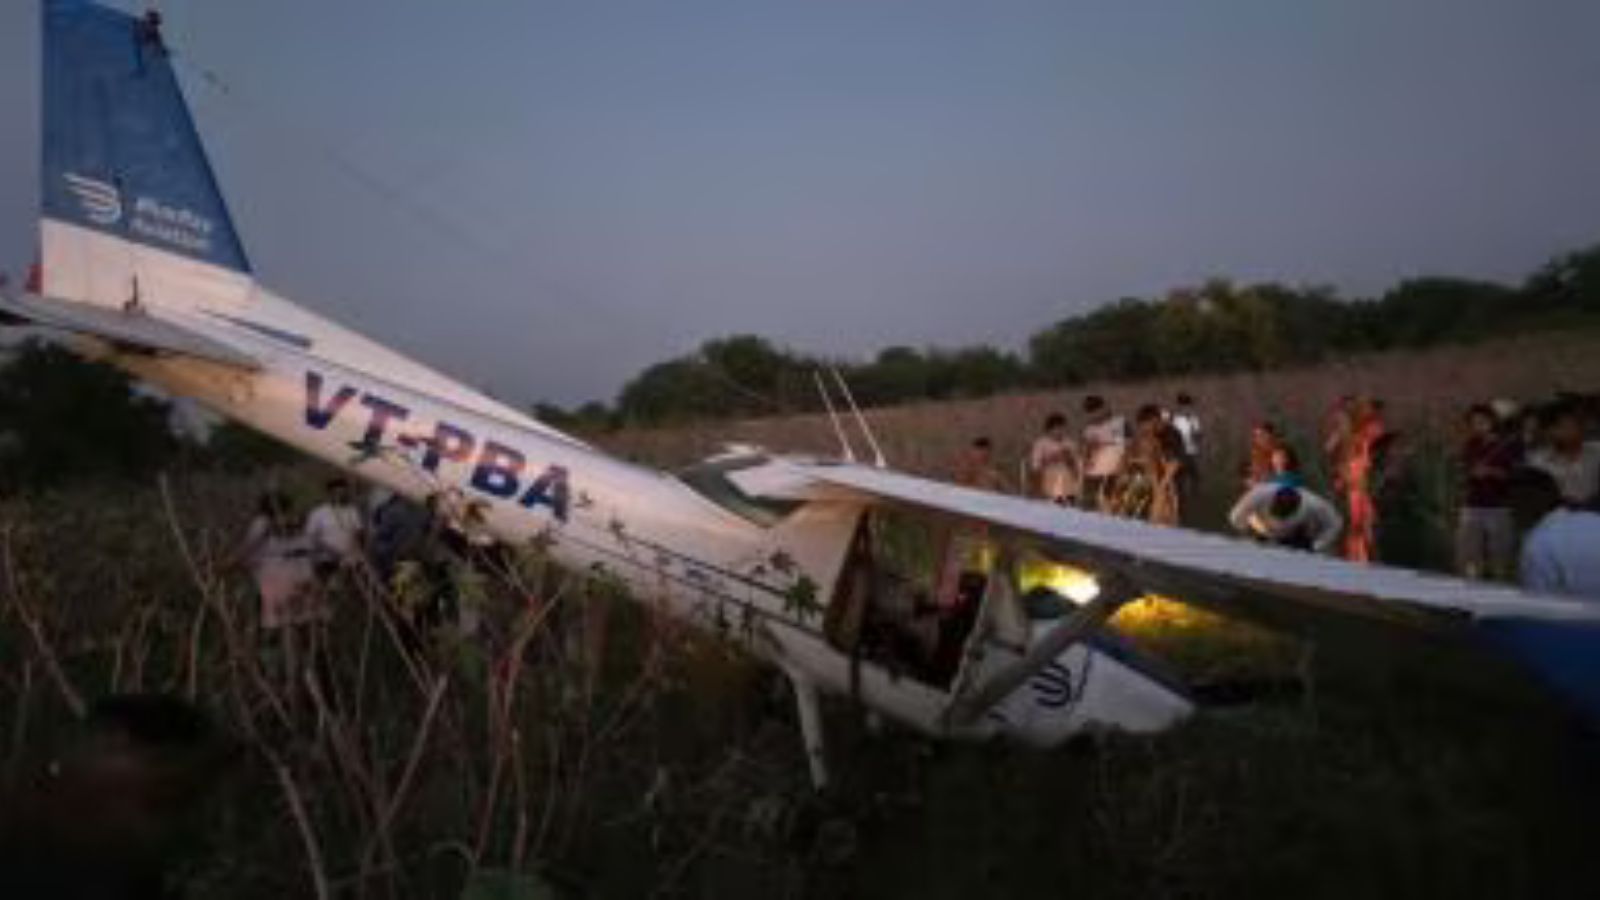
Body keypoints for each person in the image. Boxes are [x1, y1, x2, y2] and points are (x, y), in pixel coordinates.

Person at [1509, 467, 1600, 602]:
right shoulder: (1590, 521)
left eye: (1514, 502)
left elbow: (1540, 607)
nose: (1511, 512)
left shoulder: (1539, 541)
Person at [1456, 404, 1519, 580]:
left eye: (1482, 421)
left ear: (1492, 422)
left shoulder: (1507, 445)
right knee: (1469, 558)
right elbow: (1463, 471)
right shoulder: (1470, 445)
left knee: (1500, 558)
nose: (1478, 426)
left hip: (1498, 506)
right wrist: (1469, 473)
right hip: (1472, 505)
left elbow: (1515, 475)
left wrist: (1492, 472)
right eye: (1473, 423)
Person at [1229, 483, 1343, 554]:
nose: (1279, 521)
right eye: (1277, 513)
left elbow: (1335, 524)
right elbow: (1235, 517)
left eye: (1284, 515)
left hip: (1295, 538)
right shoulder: (1260, 494)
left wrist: (1316, 545)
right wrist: (1249, 532)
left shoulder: (1314, 505)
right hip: (1260, 531)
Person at [1527, 400, 1600, 509]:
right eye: (1564, 427)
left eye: (1577, 424)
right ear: (1548, 431)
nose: (1576, 430)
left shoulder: (1596, 452)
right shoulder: (1538, 463)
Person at [1120, 404, 1184, 524]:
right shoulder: (1146, 437)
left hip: (1168, 481)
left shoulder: (1170, 435)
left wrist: (1161, 488)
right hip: (1147, 480)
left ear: (1154, 420)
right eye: (1141, 426)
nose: (1143, 429)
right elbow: (1132, 460)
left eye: (1144, 425)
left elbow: (1174, 464)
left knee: (1162, 518)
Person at [1342, 397, 1387, 562]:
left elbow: (1376, 457)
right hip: (1356, 483)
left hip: (1367, 483)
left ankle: (1366, 558)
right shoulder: (1355, 433)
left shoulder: (1375, 430)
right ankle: (1356, 557)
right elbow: (1346, 458)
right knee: (1357, 524)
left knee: (1368, 524)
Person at [305, 476, 365, 578]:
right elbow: (313, 538)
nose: (340, 495)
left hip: (350, 561)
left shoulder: (352, 511)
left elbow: (359, 533)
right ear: (330, 494)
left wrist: (354, 551)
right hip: (326, 561)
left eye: (343, 493)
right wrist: (332, 551)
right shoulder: (318, 513)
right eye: (336, 493)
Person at [1079, 396, 1128, 512]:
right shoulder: (1088, 429)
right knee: (1090, 505)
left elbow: (1127, 445)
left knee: (1113, 503)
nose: (1095, 416)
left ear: (1104, 407)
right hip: (1093, 473)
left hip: (1114, 470)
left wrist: (1123, 466)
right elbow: (1084, 451)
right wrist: (1087, 454)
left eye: (1097, 411)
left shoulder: (1119, 423)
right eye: (1091, 413)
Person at [1027, 413, 1080, 505]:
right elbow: (1035, 466)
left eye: (1062, 429)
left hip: (1067, 479)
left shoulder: (1070, 444)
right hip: (1048, 477)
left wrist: (1069, 459)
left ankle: (1068, 498)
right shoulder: (1041, 444)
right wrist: (1051, 459)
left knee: (1066, 476)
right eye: (1056, 429)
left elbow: (1077, 466)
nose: (1059, 432)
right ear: (1049, 430)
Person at [1169, 393, 1203, 511]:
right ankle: (1179, 503)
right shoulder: (1174, 419)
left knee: (1195, 478)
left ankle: (1195, 502)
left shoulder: (1193, 419)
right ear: (1179, 406)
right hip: (1179, 453)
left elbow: (1198, 435)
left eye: (1188, 405)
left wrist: (1195, 433)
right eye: (1183, 405)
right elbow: (1170, 436)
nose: (1186, 408)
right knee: (1179, 480)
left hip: (1191, 452)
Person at [1246, 421, 1283, 486]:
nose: (1258, 438)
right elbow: (1256, 469)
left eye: (1261, 435)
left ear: (1270, 435)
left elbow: (1281, 473)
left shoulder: (1279, 450)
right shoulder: (1257, 451)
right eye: (1255, 436)